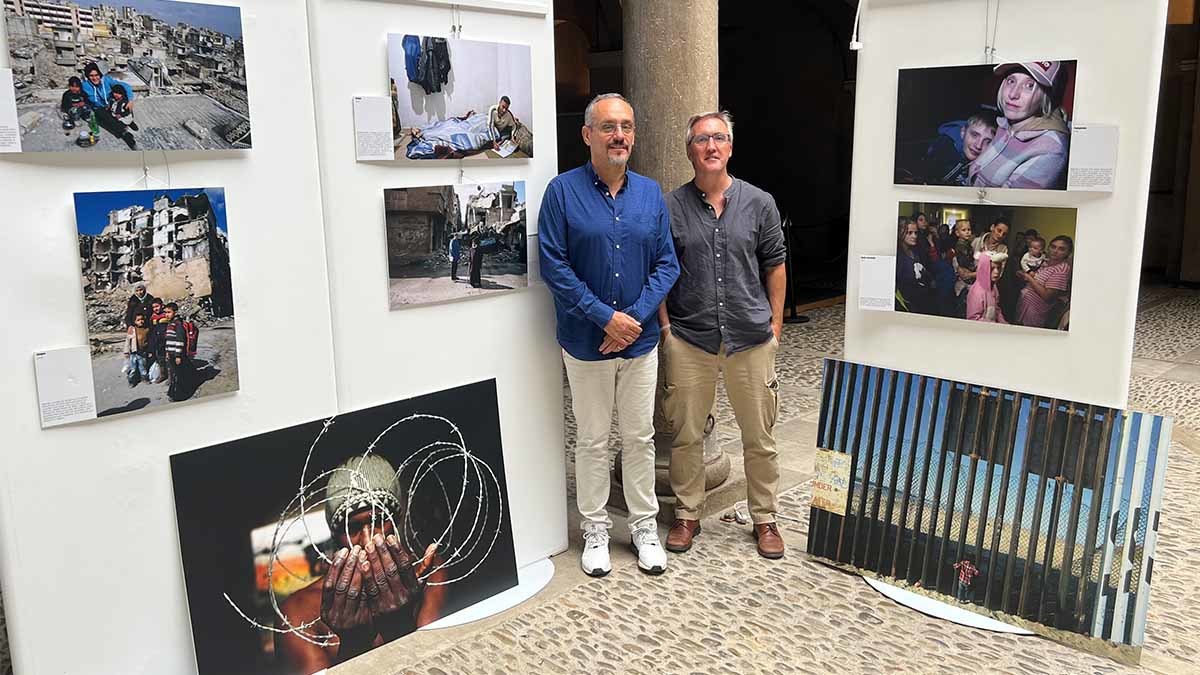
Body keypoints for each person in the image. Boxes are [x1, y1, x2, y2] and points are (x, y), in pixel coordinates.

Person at [538, 93, 680, 577]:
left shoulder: (650, 194)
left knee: (640, 438)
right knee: (594, 439)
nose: (619, 135)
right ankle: (595, 528)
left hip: (638, 345)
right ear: (587, 135)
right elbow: (553, 266)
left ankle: (643, 527)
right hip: (585, 344)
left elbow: (667, 264)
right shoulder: (561, 192)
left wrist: (631, 320)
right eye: (608, 127)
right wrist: (604, 317)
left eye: (626, 127)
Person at [660, 111, 788, 559]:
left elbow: (775, 262)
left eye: (719, 138)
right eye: (701, 139)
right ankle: (688, 513)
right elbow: (660, 269)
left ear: (730, 147)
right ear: (690, 150)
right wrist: (665, 329)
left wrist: (774, 325)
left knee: (760, 436)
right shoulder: (670, 207)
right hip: (690, 337)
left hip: (750, 337)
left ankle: (766, 518)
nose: (711, 146)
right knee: (687, 435)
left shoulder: (760, 203)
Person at [277, 455, 446, 672]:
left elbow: (440, 664)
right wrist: (354, 644)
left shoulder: (427, 573)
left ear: (396, 519)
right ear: (335, 534)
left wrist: (399, 625)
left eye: (378, 521)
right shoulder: (298, 613)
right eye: (353, 528)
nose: (368, 540)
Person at [970, 62, 1070, 189]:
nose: (1013, 94)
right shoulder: (1006, 124)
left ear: (1047, 95)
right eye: (1011, 81)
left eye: (1029, 86)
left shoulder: (1050, 150)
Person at [917, 113, 998, 186]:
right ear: (963, 132)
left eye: (987, 142)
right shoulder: (942, 150)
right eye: (974, 135)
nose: (978, 146)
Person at [1016, 235, 1073, 329]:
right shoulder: (1046, 262)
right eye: (1053, 246)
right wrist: (1024, 275)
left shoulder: (1062, 269)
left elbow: (1047, 296)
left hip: (1035, 313)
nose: (1055, 251)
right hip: (1024, 307)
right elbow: (1038, 280)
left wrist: (1028, 278)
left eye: (1061, 249)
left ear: (1068, 253)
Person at [79, 62, 137, 149]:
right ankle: (125, 133)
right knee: (103, 117)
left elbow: (125, 86)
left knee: (124, 101)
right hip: (100, 108)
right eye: (91, 75)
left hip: (112, 103)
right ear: (88, 76)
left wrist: (131, 100)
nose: (95, 78)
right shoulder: (85, 86)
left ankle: (129, 120)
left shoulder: (107, 80)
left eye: (97, 75)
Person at [895, 217, 933, 314]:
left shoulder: (914, 251)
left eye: (916, 233)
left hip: (922, 301)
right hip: (909, 306)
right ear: (900, 233)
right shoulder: (899, 256)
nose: (914, 236)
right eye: (909, 233)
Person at [161, 303, 194, 401]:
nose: (166, 314)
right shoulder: (170, 324)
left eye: (169, 312)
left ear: (175, 312)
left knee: (178, 375)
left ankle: (180, 394)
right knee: (175, 373)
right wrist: (167, 352)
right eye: (165, 312)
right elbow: (168, 340)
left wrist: (178, 356)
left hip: (177, 354)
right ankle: (174, 392)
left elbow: (180, 341)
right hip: (171, 354)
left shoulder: (178, 325)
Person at [965, 252, 1008, 324]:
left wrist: (1003, 322)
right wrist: (994, 325)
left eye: (998, 268)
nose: (996, 272)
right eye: (992, 268)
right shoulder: (977, 292)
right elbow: (973, 319)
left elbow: (996, 309)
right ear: (984, 269)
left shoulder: (993, 287)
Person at [123, 313, 153, 386]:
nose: (141, 321)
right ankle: (132, 381)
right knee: (133, 368)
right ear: (134, 321)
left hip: (142, 352)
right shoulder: (132, 329)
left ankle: (144, 378)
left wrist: (150, 350)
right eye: (138, 320)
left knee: (143, 367)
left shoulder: (146, 329)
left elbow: (149, 341)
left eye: (142, 319)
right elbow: (128, 341)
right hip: (134, 352)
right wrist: (126, 351)